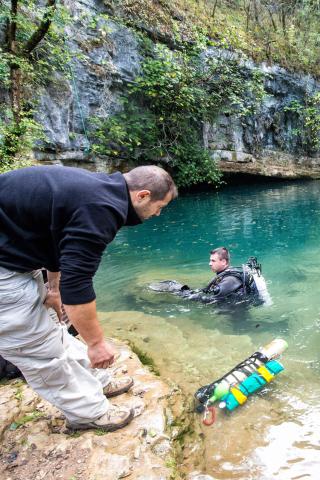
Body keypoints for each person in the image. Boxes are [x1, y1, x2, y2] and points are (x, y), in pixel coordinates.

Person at [0, 165, 177, 432]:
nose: (158, 214)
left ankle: (98, 380)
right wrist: (96, 343)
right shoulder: (101, 209)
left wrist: (53, 288)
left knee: (52, 330)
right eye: (159, 207)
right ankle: (88, 413)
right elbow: (78, 285)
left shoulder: (99, 190)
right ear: (142, 195)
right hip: (6, 268)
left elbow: (57, 241)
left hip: (16, 255)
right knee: (35, 348)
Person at [148, 249, 267, 305]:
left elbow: (212, 299)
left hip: (234, 314)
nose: (209, 263)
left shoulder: (229, 281)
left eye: (213, 261)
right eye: (210, 260)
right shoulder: (227, 276)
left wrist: (184, 294)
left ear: (224, 262)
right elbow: (208, 292)